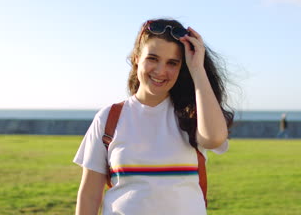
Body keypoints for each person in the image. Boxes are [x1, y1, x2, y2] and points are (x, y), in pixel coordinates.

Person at [73, 18, 234, 215]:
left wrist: (197, 69)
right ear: (136, 58)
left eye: (172, 63)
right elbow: (90, 194)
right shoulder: (109, 118)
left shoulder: (192, 115)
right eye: (153, 59)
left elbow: (214, 138)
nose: (161, 71)